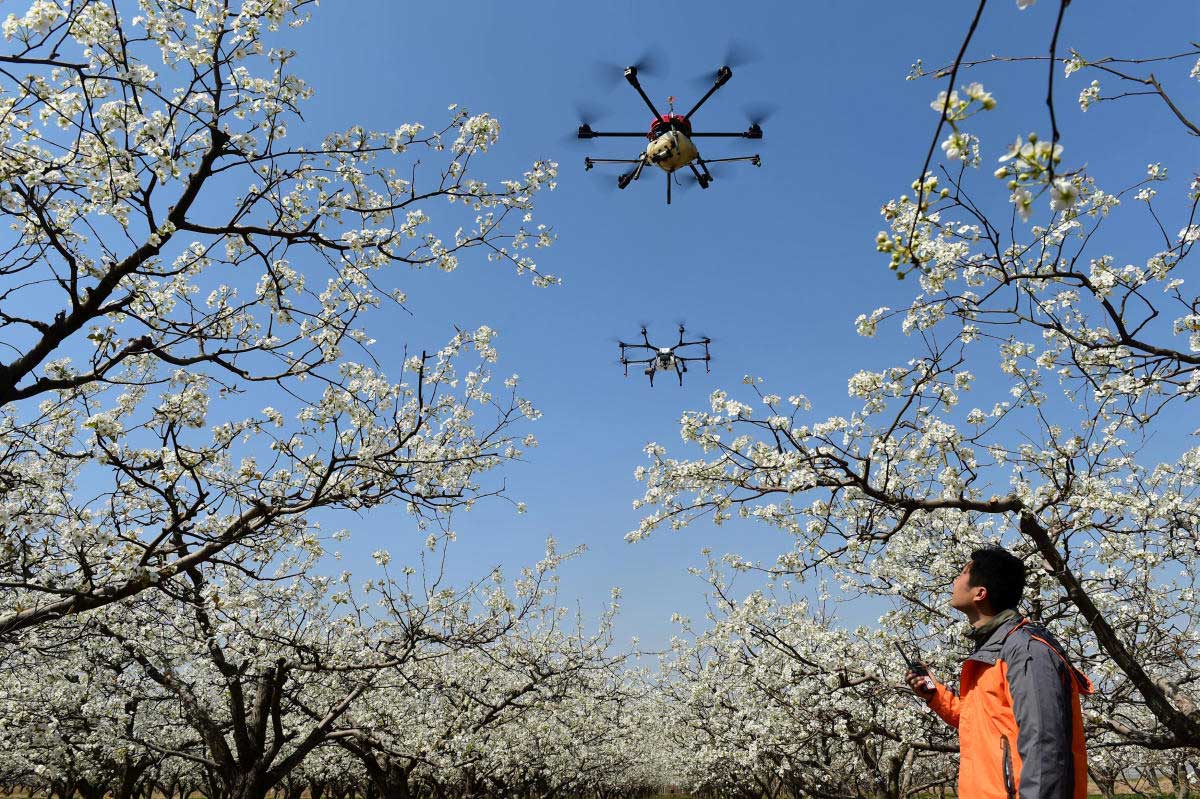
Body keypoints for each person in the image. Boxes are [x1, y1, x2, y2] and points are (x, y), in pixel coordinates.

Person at [906, 546, 1094, 799]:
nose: (954, 580)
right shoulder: (993, 651)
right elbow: (981, 723)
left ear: (980, 593)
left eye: (963, 573)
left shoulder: (1026, 651)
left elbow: (1045, 748)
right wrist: (934, 694)